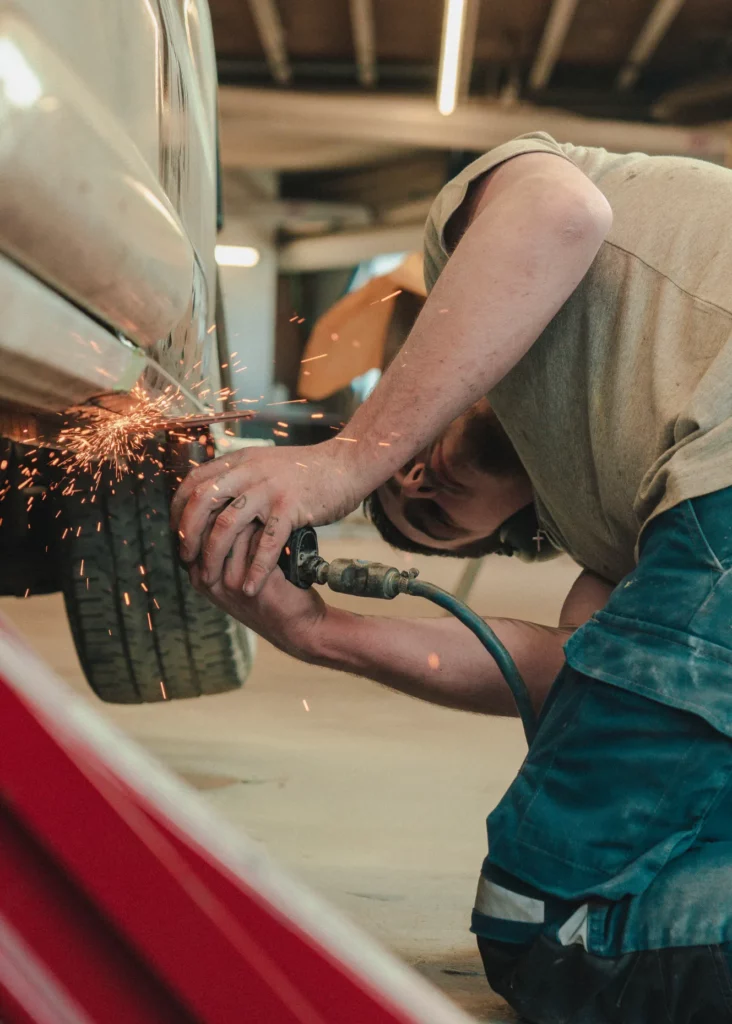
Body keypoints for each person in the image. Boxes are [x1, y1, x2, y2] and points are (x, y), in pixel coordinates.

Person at [171, 132, 732, 1022]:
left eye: (404, 470)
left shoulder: (474, 223)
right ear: (513, 535)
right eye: (426, 517)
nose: (413, 478)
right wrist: (317, 633)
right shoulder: (616, 536)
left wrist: (348, 460)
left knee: (554, 926)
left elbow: (561, 213)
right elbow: (564, 680)